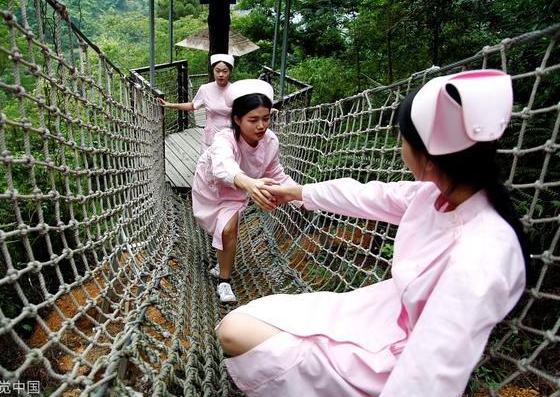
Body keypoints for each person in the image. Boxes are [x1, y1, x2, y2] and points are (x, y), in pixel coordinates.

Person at [216, 69, 529, 396]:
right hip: (377, 314)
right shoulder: (436, 194)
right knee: (238, 324)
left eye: (403, 139)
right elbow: (365, 195)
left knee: (235, 332)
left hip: (392, 360)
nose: (400, 147)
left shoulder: (483, 254)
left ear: (428, 158)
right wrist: (296, 193)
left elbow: (429, 371)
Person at [192, 79, 299, 303]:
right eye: (253, 120)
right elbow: (222, 165)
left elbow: (275, 172)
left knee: (228, 228)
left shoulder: (270, 141)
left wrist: (303, 196)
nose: (261, 126)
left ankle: (224, 280)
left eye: (266, 118)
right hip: (210, 187)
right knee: (218, 228)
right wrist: (248, 183)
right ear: (237, 119)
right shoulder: (224, 138)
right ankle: (222, 259)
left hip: (235, 191)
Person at [159, 54, 234, 152]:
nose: (221, 74)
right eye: (217, 70)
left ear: (230, 72)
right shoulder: (205, 89)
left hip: (230, 137)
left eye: (225, 71)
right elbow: (193, 105)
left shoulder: (235, 90)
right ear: (213, 71)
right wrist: (169, 105)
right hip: (211, 137)